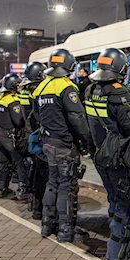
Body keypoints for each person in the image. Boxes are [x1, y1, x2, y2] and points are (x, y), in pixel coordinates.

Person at [85, 48, 130, 260]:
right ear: (120, 68)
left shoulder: (91, 90)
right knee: (124, 206)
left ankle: (117, 239)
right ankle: (116, 253)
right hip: (119, 159)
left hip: (101, 156)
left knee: (114, 199)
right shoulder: (119, 94)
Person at [32, 48, 92, 243]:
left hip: (47, 142)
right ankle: (66, 230)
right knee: (66, 186)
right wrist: (86, 139)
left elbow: (37, 116)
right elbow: (77, 117)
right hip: (65, 144)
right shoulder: (66, 87)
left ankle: (47, 225)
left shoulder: (41, 87)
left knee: (52, 182)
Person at [21, 62, 49, 220]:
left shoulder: (24, 89)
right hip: (37, 135)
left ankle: (33, 203)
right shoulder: (38, 90)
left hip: (28, 133)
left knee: (34, 169)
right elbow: (36, 115)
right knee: (42, 173)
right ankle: (39, 207)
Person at [0, 74, 29, 200]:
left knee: (4, 162)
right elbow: (18, 121)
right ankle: (23, 190)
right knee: (20, 162)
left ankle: (2, 188)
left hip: (0, 133)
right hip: (11, 136)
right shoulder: (13, 100)